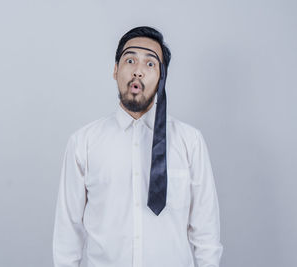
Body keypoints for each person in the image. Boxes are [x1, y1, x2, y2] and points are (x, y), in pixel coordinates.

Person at [53, 26, 223, 267]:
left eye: (150, 64)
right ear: (115, 70)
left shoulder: (190, 142)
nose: (138, 71)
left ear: (163, 77)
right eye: (130, 60)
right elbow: (67, 234)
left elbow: (206, 234)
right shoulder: (83, 143)